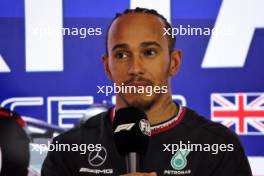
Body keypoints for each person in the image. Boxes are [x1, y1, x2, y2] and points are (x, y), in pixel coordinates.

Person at [41, 7, 252, 176]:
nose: (135, 68)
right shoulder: (68, 149)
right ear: (107, 67)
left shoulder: (218, 146)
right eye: (122, 55)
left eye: (149, 52)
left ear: (174, 62)